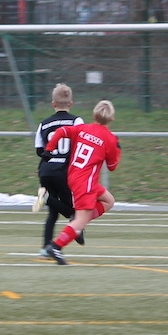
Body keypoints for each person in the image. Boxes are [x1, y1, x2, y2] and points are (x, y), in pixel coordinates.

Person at [40, 99, 121, 265]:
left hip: (74, 176)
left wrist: (49, 149)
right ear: (112, 118)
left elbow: (61, 131)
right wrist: (117, 150)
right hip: (86, 182)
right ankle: (55, 246)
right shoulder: (110, 139)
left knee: (109, 201)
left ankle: (75, 221)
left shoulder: (83, 128)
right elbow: (112, 167)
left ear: (94, 115)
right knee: (80, 221)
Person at [33, 83, 85, 250]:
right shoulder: (76, 121)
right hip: (65, 171)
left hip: (46, 170)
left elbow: (39, 150)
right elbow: (81, 144)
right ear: (71, 103)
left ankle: (45, 248)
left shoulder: (43, 124)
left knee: (53, 213)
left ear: (53, 103)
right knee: (74, 210)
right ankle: (76, 228)